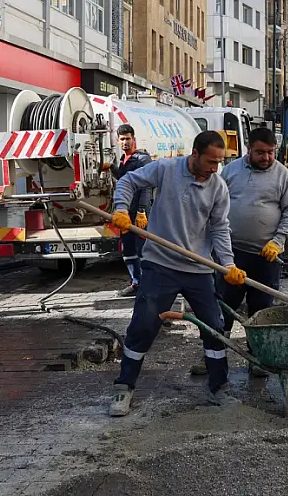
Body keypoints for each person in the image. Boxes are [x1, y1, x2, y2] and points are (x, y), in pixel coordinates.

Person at [108, 131, 247, 416]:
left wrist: (228, 264)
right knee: (144, 325)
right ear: (194, 154)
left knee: (213, 326)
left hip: (198, 269)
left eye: (219, 162)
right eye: (210, 161)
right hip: (161, 266)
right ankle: (124, 387)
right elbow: (128, 181)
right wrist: (121, 208)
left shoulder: (218, 187)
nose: (214, 168)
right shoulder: (166, 169)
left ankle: (218, 387)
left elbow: (220, 228)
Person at [192, 127, 288, 377]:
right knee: (222, 308)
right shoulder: (230, 171)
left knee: (261, 311)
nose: (266, 158)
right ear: (249, 149)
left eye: (271, 153)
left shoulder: (283, 176)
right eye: (260, 152)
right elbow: (214, 204)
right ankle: (214, 356)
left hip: (266, 257)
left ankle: (257, 358)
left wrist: (278, 240)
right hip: (231, 255)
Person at [110, 124, 153, 297]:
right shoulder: (124, 159)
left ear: (134, 139)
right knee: (128, 250)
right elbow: (123, 180)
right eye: (122, 139)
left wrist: (142, 211)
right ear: (118, 141)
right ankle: (135, 283)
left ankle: (147, 285)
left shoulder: (142, 159)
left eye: (128, 139)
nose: (125, 142)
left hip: (139, 213)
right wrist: (111, 168)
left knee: (143, 250)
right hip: (125, 212)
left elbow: (147, 186)